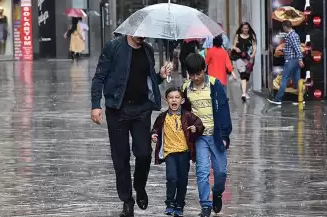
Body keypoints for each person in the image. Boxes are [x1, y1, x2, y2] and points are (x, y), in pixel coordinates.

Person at [91, 35, 172, 217]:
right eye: (139, 32)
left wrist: (160, 75)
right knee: (121, 157)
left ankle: (140, 185)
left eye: (145, 33)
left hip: (142, 109)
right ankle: (127, 200)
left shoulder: (148, 50)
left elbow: (149, 79)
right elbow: (99, 77)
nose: (142, 36)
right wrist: (96, 104)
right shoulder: (113, 47)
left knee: (144, 153)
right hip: (117, 109)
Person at [181, 53, 232, 217]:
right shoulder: (186, 88)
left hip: (216, 136)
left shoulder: (215, 84)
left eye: (198, 73)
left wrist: (224, 135)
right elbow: (184, 114)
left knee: (221, 172)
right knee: (202, 171)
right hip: (200, 137)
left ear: (204, 69)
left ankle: (217, 193)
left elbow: (224, 110)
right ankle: (205, 205)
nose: (196, 77)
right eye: (192, 74)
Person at [151, 87, 204, 217]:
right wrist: (153, 135)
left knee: (182, 180)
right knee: (171, 178)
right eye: (171, 97)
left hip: (184, 153)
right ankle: (169, 203)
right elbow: (155, 129)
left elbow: (200, 125)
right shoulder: (162, 117)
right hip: (170, 153)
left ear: (182, 100)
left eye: (177, 97)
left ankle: (179, 204)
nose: (174, 100)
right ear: (166, 100)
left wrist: (195, 129)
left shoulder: (187, 115)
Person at [268, 20, 304, 105]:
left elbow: (297, 48)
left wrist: (300, 59)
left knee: (284, 78)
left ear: (285, 27)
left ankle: (278, 99)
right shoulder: (294, 35)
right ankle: (299, 99)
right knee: (296, 80)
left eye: (283, 27)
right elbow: (292, 48)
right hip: (295, 60)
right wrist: (283, 50)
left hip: (291, 60)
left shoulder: (291, 35)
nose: (283, 29)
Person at [231, 22, 257, 102]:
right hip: (240, 58)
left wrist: (253, 53)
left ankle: (244, 91)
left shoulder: (252, 36)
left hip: (249, 58)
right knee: (243, 74)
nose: (245, 29)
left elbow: (254, 46)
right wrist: (236, 49)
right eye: (244, 28)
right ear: (241, 28)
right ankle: (243, 93)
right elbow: (233, 46)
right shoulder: (237, 36)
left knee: (247, 77)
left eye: (247, 28)